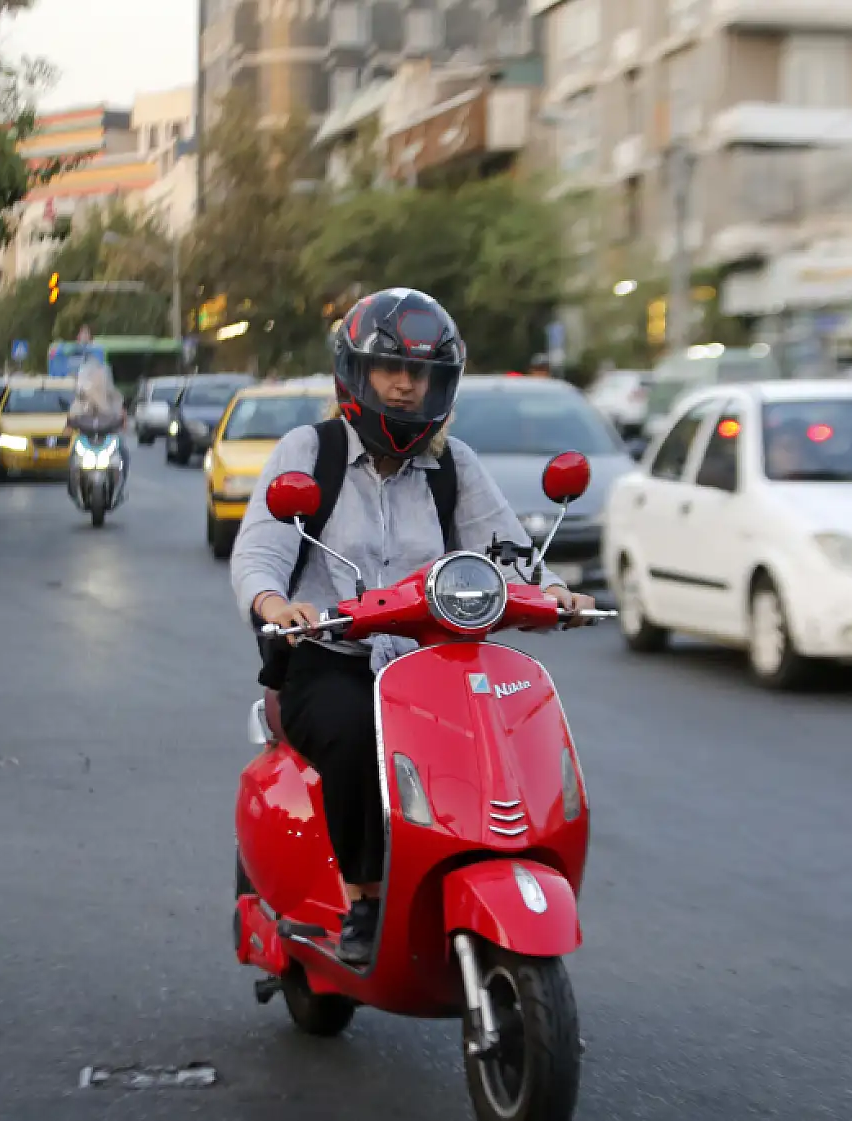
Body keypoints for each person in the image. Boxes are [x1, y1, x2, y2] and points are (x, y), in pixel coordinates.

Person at [231, 289, 597, 966]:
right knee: (353, 731)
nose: (404, 384)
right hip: (331, 657)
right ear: (356, 373)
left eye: (421, 372)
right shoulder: (310, 451)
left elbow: (507, 550)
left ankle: (473, 863)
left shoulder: (454, 464)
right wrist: (275, 604)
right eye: (389, 367)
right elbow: (259, 550)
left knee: (502, 728)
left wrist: (551, 593)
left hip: (433, 662)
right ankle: (367, 898)